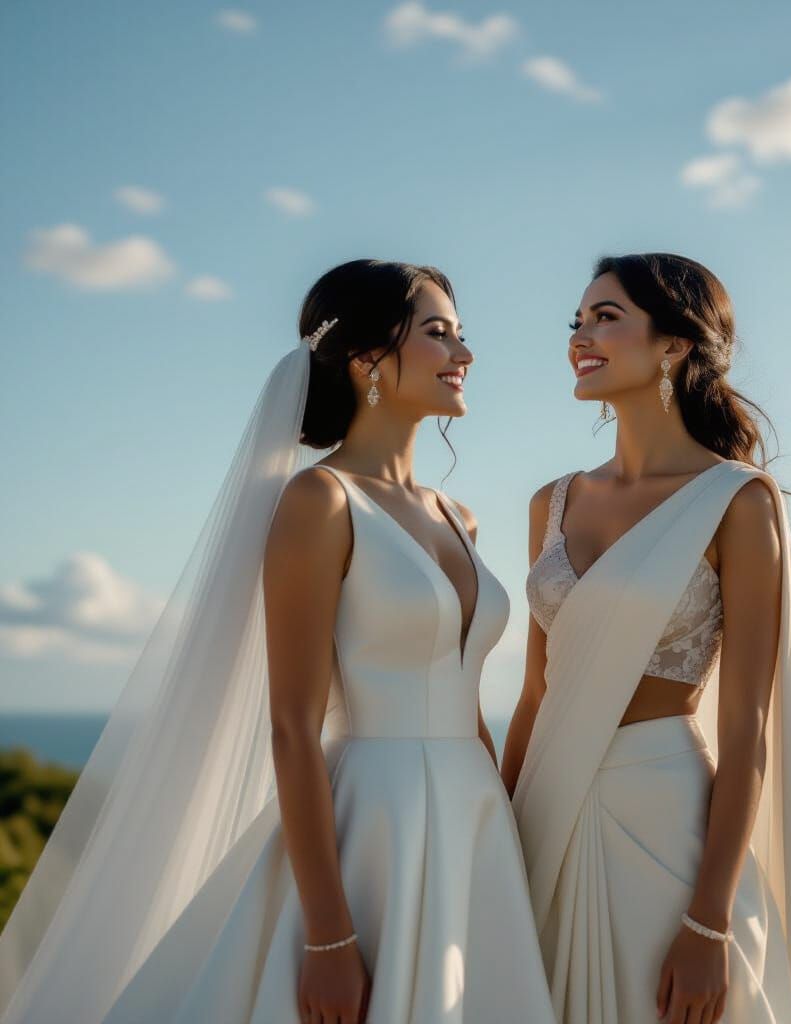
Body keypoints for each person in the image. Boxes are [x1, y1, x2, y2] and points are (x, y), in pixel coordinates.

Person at [0, 259, 557, 1024]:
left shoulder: (459, 516)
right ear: (366, 359)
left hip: (476, 823)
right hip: (371, 822)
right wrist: (328, 936)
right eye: (438, 334)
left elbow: (468, 705)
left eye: (462, 336)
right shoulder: (319, 501)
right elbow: (293, 727)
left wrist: (507, 830)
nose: (464, 355)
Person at [502, 253, 791, 1023]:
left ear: (676, 344)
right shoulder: (553, 501)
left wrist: (709, 919)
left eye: (605, 318)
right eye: (576, 321)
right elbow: (535, 695)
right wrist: (499, 852)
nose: (581, 336)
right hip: (545, 810)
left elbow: (745, 731)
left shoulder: (737, 502)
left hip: (663, 821)